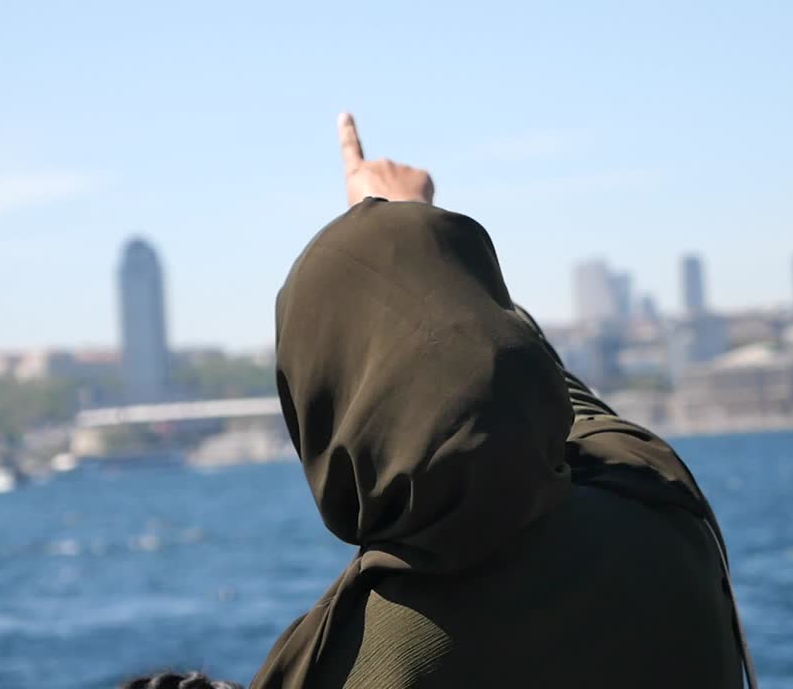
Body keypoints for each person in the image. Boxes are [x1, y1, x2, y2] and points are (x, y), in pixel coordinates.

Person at [250, 115, 757, 689]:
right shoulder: (659, 511)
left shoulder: (352, 662)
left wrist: (403, 241)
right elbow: (550, 396)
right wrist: (423, 245)